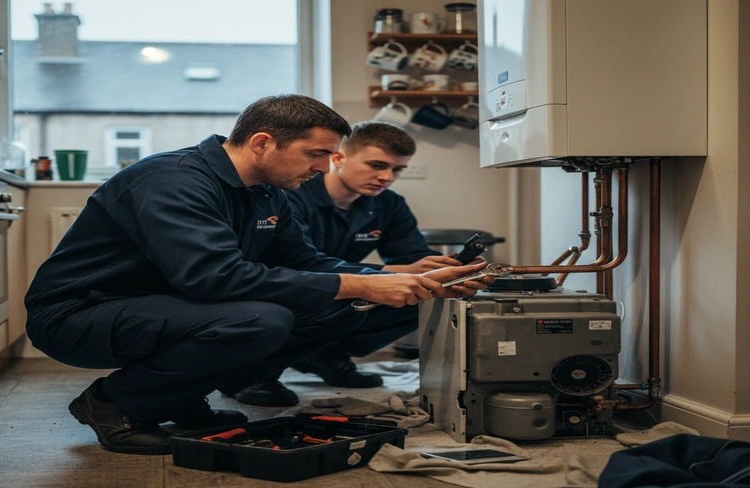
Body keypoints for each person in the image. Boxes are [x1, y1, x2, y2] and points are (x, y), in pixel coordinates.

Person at [24, 94, 492, 455]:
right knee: (259, 319)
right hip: (80, 313)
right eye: (316, 154)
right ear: (263, 142)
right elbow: (214, 278)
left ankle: (176, 398)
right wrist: (363, 280)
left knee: (347, 305)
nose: (323, 166)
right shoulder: (174, 180)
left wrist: (390, 279)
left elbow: (307, 263)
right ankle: (112, 403)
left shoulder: (269, 193)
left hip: (167, 308)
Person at [277, 121, 469, 392]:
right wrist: (394, 272)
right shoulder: (291, 195)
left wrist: (447, 271)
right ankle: (259, 371)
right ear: (338, 158)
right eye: (377, 165)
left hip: (344, 292)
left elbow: (414, 254)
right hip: (293, 289)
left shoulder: (388, 203)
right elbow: (300, 264)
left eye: (397, 169)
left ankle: (323, 355)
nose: (388, 177)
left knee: (429, 291)